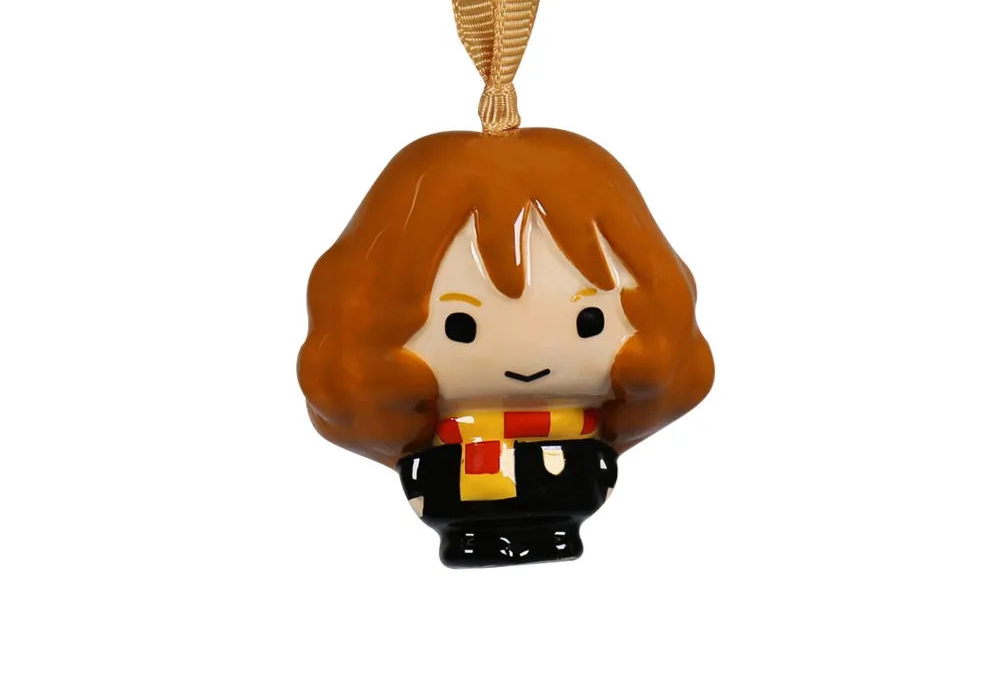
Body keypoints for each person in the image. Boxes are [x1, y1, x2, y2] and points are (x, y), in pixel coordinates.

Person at [298, 127, 714, 566]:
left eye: (588, 321)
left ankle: (556, 533)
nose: (531, 356)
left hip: (570, 479)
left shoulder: (588, 424)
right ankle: (469, 539)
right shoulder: (435, 426)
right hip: (458, 489)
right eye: (460, 326)